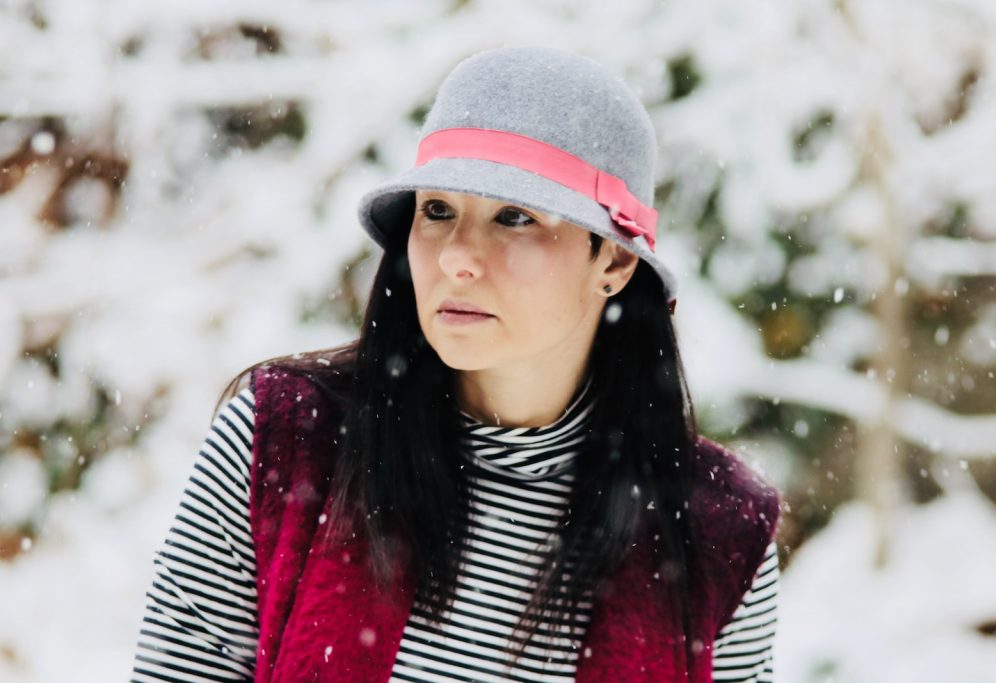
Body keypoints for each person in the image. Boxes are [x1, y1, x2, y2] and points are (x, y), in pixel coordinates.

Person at [130, 46, 781, 683]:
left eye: (515, 217)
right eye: (438, 210)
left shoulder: (716, 536)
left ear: (611, 261)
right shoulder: (284, 443)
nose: (456, 258)